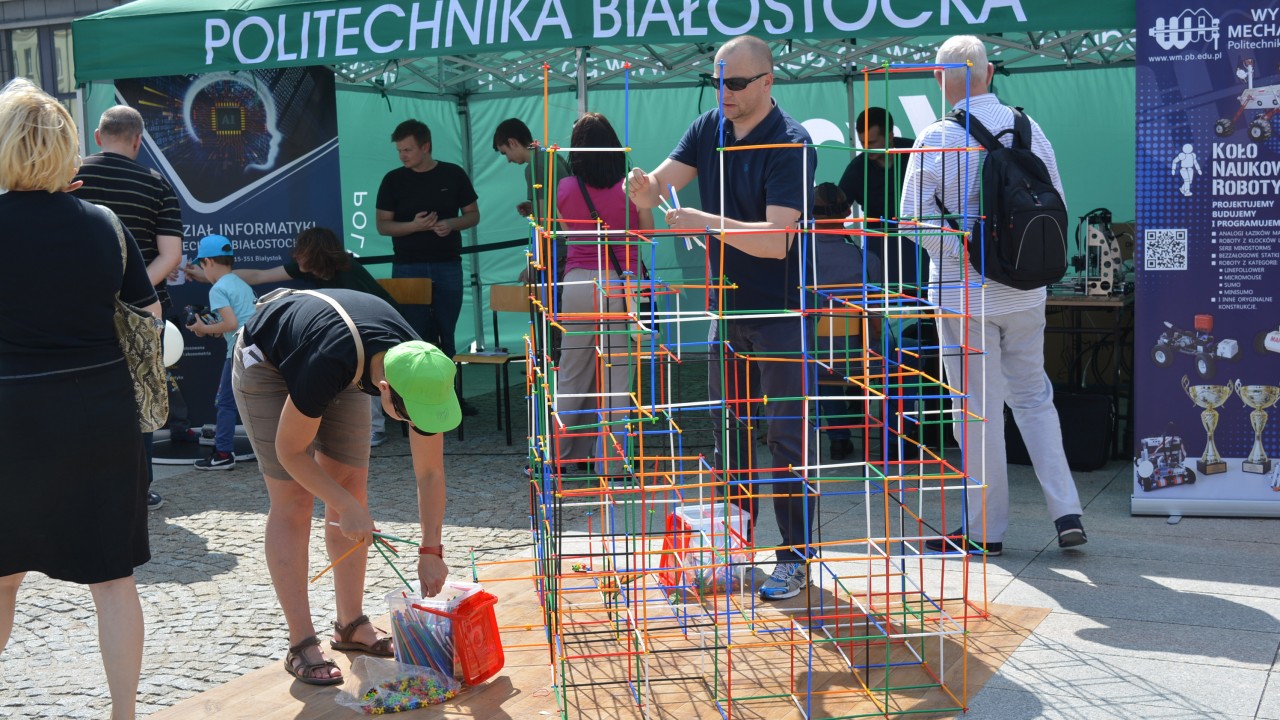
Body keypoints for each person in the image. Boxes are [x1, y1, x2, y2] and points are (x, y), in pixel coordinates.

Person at [628, 35, 818, 601]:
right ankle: (736, 550)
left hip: (783, 310)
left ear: (768, 82)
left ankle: (795, 556)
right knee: (728, 436)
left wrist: (704, 221)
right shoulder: (707, 126)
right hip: (726, 307)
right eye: (719, 81)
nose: (725, 92)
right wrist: (642, 188)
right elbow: (659, 186)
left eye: (736, 83)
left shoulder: (791, 142)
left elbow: (779, 240)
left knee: (787, 438)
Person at [0, 77, 157, 720]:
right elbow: (148, 316)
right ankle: (124, 715)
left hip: (9, 415)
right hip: (99, 411)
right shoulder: (104, 224)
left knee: (1, 577)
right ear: (68, 146)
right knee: (113, 580)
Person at [902, 35, 1086, 557]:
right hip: (1028, 294)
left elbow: (915, 224)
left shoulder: (936, 136)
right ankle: (1066, 510)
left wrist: (969, 254)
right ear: (987, 72)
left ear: (942, 78)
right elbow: (1058, 206)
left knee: (976, 411)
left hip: (966, 295)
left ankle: (986, 531)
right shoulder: (1030, 129)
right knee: (1034, 398)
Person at [232, 288, 458, 685]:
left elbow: (430, 473)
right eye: (408, 417)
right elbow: (291, 452)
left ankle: (350, 624)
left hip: (346, 359)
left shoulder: (421, 368)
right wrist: (343, 506)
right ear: (384, 390)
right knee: (294, 499)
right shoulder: (328, 360)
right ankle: (301, 641)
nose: (414, 425)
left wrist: (431, 549)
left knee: (352, 485)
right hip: (268, 358)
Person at [186, 226, 403, 447]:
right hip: (348, 331)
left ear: (316, 252)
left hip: (380, 329)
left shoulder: (349, 271)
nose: (295, 255)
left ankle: (374, 429)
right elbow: (259, 275)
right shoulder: (307, 268)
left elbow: (370, 312)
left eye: (302, 250)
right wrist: (210, 277)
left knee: (366, 368)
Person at [74, 103, 186, 511]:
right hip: (144, 313)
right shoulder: (156, 183)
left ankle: (85, 485)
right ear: (138, 141)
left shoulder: (70, 177)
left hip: (77, 309)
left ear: (99, 137)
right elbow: (171, 255)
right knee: (140, 395)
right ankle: (139, 489)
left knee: (79, 392)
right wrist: (128, 292)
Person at [554, 112, 654, 471]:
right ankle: (611, 464)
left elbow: (568, 234)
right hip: (620, 281)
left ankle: (561, 456)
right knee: (617, 377)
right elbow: (647, 234)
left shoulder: (564, 188)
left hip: (577, 281)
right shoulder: (631, 186)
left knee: (571, 371)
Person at [375, 119, 480, 415]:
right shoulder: (393, 180)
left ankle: (448, 400)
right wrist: (414, 226)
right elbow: (383, 226)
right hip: (408, 268)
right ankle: (412, 403)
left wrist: (451, 224)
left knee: (447, 334)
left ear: (426, 147)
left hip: (448, 265)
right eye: (399, 150)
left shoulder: (453, 174)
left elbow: (472, 215)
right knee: (412, 336)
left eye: (407, 149)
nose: (402, 155)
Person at [185, 235, 257, 471]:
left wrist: (202, 328)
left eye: (202, 266)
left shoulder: (218, 289)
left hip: (238, 350)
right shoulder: (239, 283)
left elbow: (229, 323)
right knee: (258, 402)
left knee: (225, 403)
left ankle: (224, 454)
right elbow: (235, 322)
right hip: (257, 349)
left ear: (207, 262)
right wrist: (210, 330)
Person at [837, 107, 920, 294]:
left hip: (919, 241)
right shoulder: (857, 169)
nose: (866, 148)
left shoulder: (916, 154)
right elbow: (838, 209)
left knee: (931, 303)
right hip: (880, 246)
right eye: (862, 142)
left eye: (872, 142)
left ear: (890, 136)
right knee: (878, 304)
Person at [808, 182, 862, 462]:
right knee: (906, 359)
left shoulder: (799, 257)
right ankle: (898, 440)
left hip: (811, 356)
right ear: (847, 212)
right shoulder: (863, 258)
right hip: (863, 357)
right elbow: (874, 320)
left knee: (823, 365)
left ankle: (839, 440)